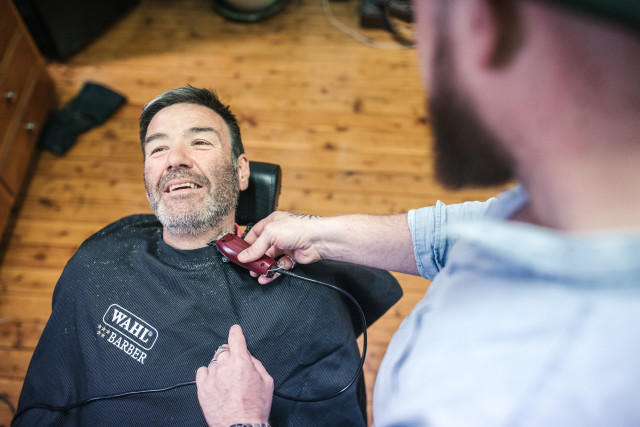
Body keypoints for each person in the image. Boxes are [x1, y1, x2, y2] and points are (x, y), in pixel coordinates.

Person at [199, 1, 640, 426]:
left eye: (412, 19)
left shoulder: (502, 404)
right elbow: (465, 231)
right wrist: (322, 234)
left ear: (481, 23)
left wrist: (240, 420)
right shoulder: (569, 201)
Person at [14, 87, 402, 426]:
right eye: (157, 148)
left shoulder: (308, 308)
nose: (175, 159)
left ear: (242, 171)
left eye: (200, 142)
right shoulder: (106, 249)